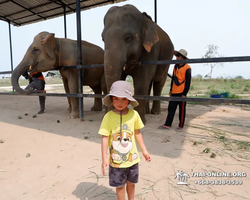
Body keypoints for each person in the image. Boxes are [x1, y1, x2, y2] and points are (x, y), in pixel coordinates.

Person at [98, 80, 151, 200]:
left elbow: (137, 132)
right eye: (116, 98)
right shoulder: (108, 117)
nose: (120, 102)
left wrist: (144, 150)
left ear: (129, 100)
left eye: (124, 99)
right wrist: (104, 158)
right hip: (116, 161)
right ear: (111, 99)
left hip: (132, 159)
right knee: (120, 186)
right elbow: (104, 137)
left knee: (131, 183)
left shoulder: (134, 115)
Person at [158, 49, 191, 131]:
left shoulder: (187, 68)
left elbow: (188, 82)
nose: (176, 57)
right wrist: (171, 90)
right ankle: (167, 124)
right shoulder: (175, 66)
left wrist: (184, 93)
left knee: (182, 110)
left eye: (178, 56)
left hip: (182, 92)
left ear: (183, 57)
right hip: (174, 92)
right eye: (176, 56)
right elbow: (173, 79)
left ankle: (181, 126)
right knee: (171, 109)